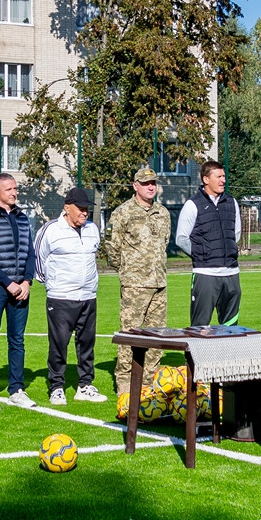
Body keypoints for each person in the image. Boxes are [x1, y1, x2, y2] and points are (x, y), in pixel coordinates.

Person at [101, 166, 170, 394]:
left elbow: (164, 243)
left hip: (159, 282)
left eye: (153, 183)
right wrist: (128, 270)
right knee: (130, 335)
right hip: (134, 284)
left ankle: (149, 382)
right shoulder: (123, 212)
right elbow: (112, 245)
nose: (151, 187)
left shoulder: (163, 213)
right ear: (135, 186)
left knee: (157, 335)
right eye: (145, 183)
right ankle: (125, 382)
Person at [35, 188, 107, 405]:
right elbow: (38, 260)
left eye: (87, 209)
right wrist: (54, 285)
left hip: (88, 296)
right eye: (81, 209)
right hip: (61, 297)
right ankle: (56, 386)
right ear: (67, 208)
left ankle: (85, 385)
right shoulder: (50, 230)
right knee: (59, 343)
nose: (85, 213)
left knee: (86, 343)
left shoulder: (93, 229)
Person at [0, 172, 36, 411]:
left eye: (15, 189)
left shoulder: (23, 218)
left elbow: (30, 252)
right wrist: (4, 282)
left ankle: (17, 389)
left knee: (17, 340)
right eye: (9, 189)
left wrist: (27, 281)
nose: (14, 193)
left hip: (20, 289)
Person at [176, 159, 245, 326]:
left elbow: (235, 234)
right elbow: (181, 239)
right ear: (206, 179)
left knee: (230, 327)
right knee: (200, 327)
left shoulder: (231, 202)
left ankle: (228, 353)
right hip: (206, 275)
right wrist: (204, 253)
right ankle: (195, 353)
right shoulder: (193, 205)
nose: (223, 180)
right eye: (219, 176)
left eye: (224, 176)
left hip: (231, 274)